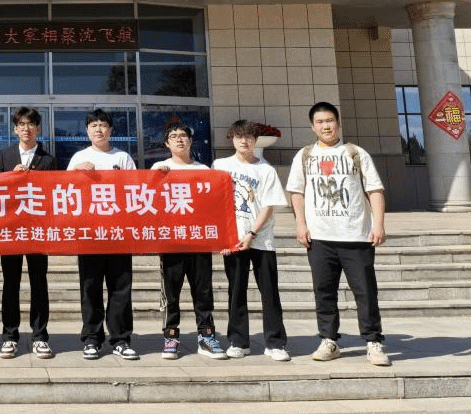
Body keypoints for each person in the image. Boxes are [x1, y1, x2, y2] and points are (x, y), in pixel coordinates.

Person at [287, 101, 391, 367]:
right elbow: (296, 192)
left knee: (365, 292)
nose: (326, 126)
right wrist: (300, 224)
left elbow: (375, 190)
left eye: (330, 120)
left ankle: (373, 342)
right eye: (320, 122)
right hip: (320, 238)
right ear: (312, 127)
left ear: (338, 123)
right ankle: (328, 340)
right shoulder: (305, 155)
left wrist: (378, 224)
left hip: (356, 236)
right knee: (324, 291)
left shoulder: (356, 153)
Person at [211, 120, 290, 362]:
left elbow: (268, 206)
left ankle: (275, 343)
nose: (244, 141)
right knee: (236, 291)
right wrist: (222, 238)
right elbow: (214, 202)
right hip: (232, 239)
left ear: (255, 140)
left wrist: (251, 233)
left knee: (270, 292)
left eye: (248, 137)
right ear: (232, 139)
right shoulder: (220, 165)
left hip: (261, 239)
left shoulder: (266, 170)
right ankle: (238, 341)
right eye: (239, 136)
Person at [66, 108, 139, 361]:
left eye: (103, 125)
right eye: (94, 125)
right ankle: (92, 338)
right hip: (89, 233)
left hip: (119, 233)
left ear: (111, 130)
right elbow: (63, 191)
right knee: (90, 288)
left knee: (121, 288)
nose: (99, 129)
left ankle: (121, 339)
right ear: (87, 131)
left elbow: (136, 190)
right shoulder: (79, 157)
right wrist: (76, 172)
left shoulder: (123, 157)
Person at [151, 122, 227, 360]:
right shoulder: (158, 168)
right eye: (173, 136)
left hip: (198, 239)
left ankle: (206, 336)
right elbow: (148, 202)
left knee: (203, 291)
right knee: (171, 293)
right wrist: (158, 179)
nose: (179, 139)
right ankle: (171, 336)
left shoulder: (203, 169)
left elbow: (214, 204)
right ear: (167, 143)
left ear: (191, 141)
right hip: (171, 240)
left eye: (183, 135)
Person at [0, 106, 57, 360]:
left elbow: (54, 195)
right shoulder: (5, 156)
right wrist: (11, 177)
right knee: (11, 283)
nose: (26, 128)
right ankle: (10, 336)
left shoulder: (48, 159)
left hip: (38, 231)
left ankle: (40, 336)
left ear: (38, 128)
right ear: (15, 129)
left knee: (39, 283)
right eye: (21, 124)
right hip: (11, 230)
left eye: (31, 124)